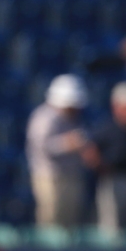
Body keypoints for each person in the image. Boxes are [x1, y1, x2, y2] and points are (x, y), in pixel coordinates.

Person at [26, 74, 90, 229]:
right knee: (51, 218)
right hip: (50, 176)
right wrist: (67, 144)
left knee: (70, 219)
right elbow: (42, 147)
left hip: (71, 175)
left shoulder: (73, 117)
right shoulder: (44, 117)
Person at [84, 81, 126, 234]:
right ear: (116, 107)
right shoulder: (106, 129)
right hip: (114, 180)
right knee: (112, 228)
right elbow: (89, 150)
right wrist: (100, 165)